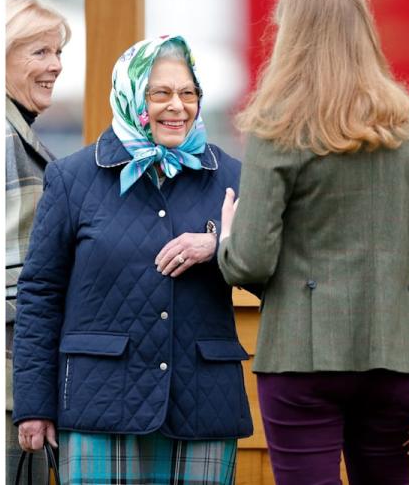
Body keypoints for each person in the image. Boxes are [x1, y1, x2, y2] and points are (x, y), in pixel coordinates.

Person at [217, 0, 409, 485]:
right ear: (364, 28)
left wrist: (225, 239)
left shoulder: (275, 125)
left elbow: (251, 261)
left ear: (290, 34)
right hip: (398, 349)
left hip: (300, 352)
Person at [13, 35, 253, 485]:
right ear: (129, 93)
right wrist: (34, 405)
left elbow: (271, 275)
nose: (177, 107)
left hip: (202, 403)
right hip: (96, 403)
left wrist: (221, 246)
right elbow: (40, 294)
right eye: (159, 93)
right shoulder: (74, 178)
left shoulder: (233, 177)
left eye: (188, 93)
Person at [5, 0, 71, 485]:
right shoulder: (4, 138)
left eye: (57, 52)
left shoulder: (18, 132)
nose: (55, 66)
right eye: (39, 52)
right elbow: (13, 278)